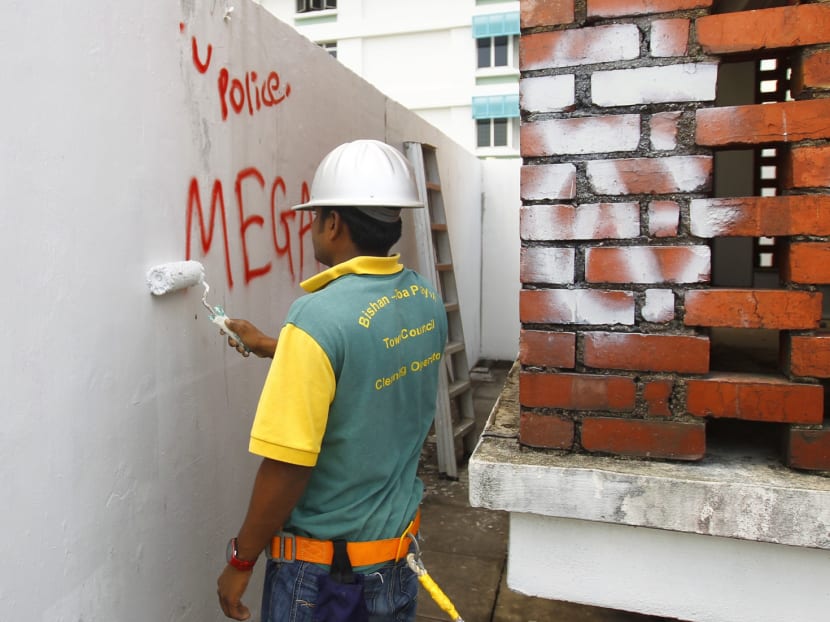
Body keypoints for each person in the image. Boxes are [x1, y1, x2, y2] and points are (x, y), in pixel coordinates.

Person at [215, 139, 448, 622]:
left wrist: (241, 560)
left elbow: (287, 468)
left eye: (315, 216)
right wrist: (274, 345)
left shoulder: (316, 319)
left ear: (333, 222)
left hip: (326, 585)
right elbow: (368, 359)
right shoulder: (423, 299)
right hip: (395, 564)